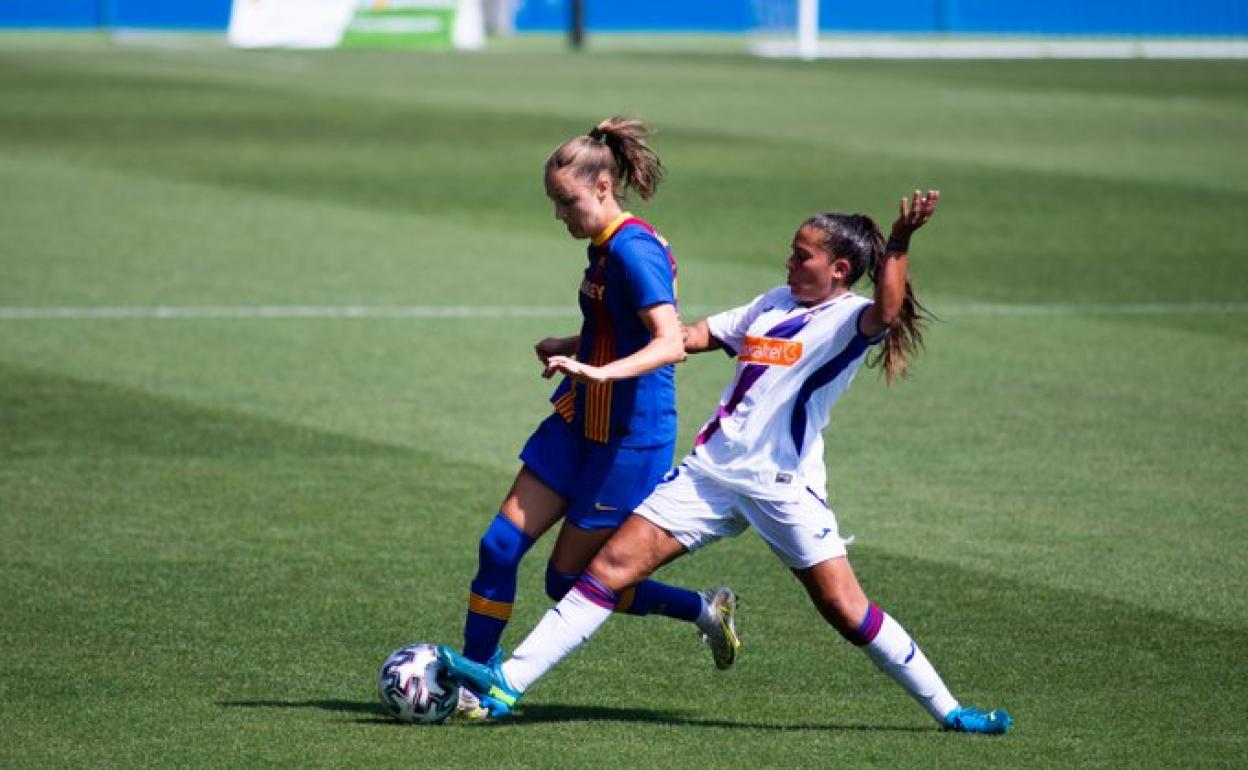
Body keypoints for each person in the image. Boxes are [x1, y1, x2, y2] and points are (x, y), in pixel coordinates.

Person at [439, 190, 1014, 735]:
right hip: (708, 476)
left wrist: (900, 243)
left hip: (782, 489)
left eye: (802, 254)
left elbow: (889, 312)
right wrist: (585, 345)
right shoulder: (771, 303)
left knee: (844, 609)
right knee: (606, 572)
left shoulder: (850, 319)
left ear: (839, 269)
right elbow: (690, 336)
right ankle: (504, 688)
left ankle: (952, 711)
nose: (788, 260)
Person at [455, 117, 740, 719]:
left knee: (567, 583)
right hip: (579, 417)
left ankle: (702, 609)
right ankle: (473, 681)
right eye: (554, 203)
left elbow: (669, 342)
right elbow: (616, 327)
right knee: (499, 546)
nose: (560, 215)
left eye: (568, 202)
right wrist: (576, 344)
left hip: (627, 439)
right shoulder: (605, 246)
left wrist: (603, 372)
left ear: (604, 186)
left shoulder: (633, 251)